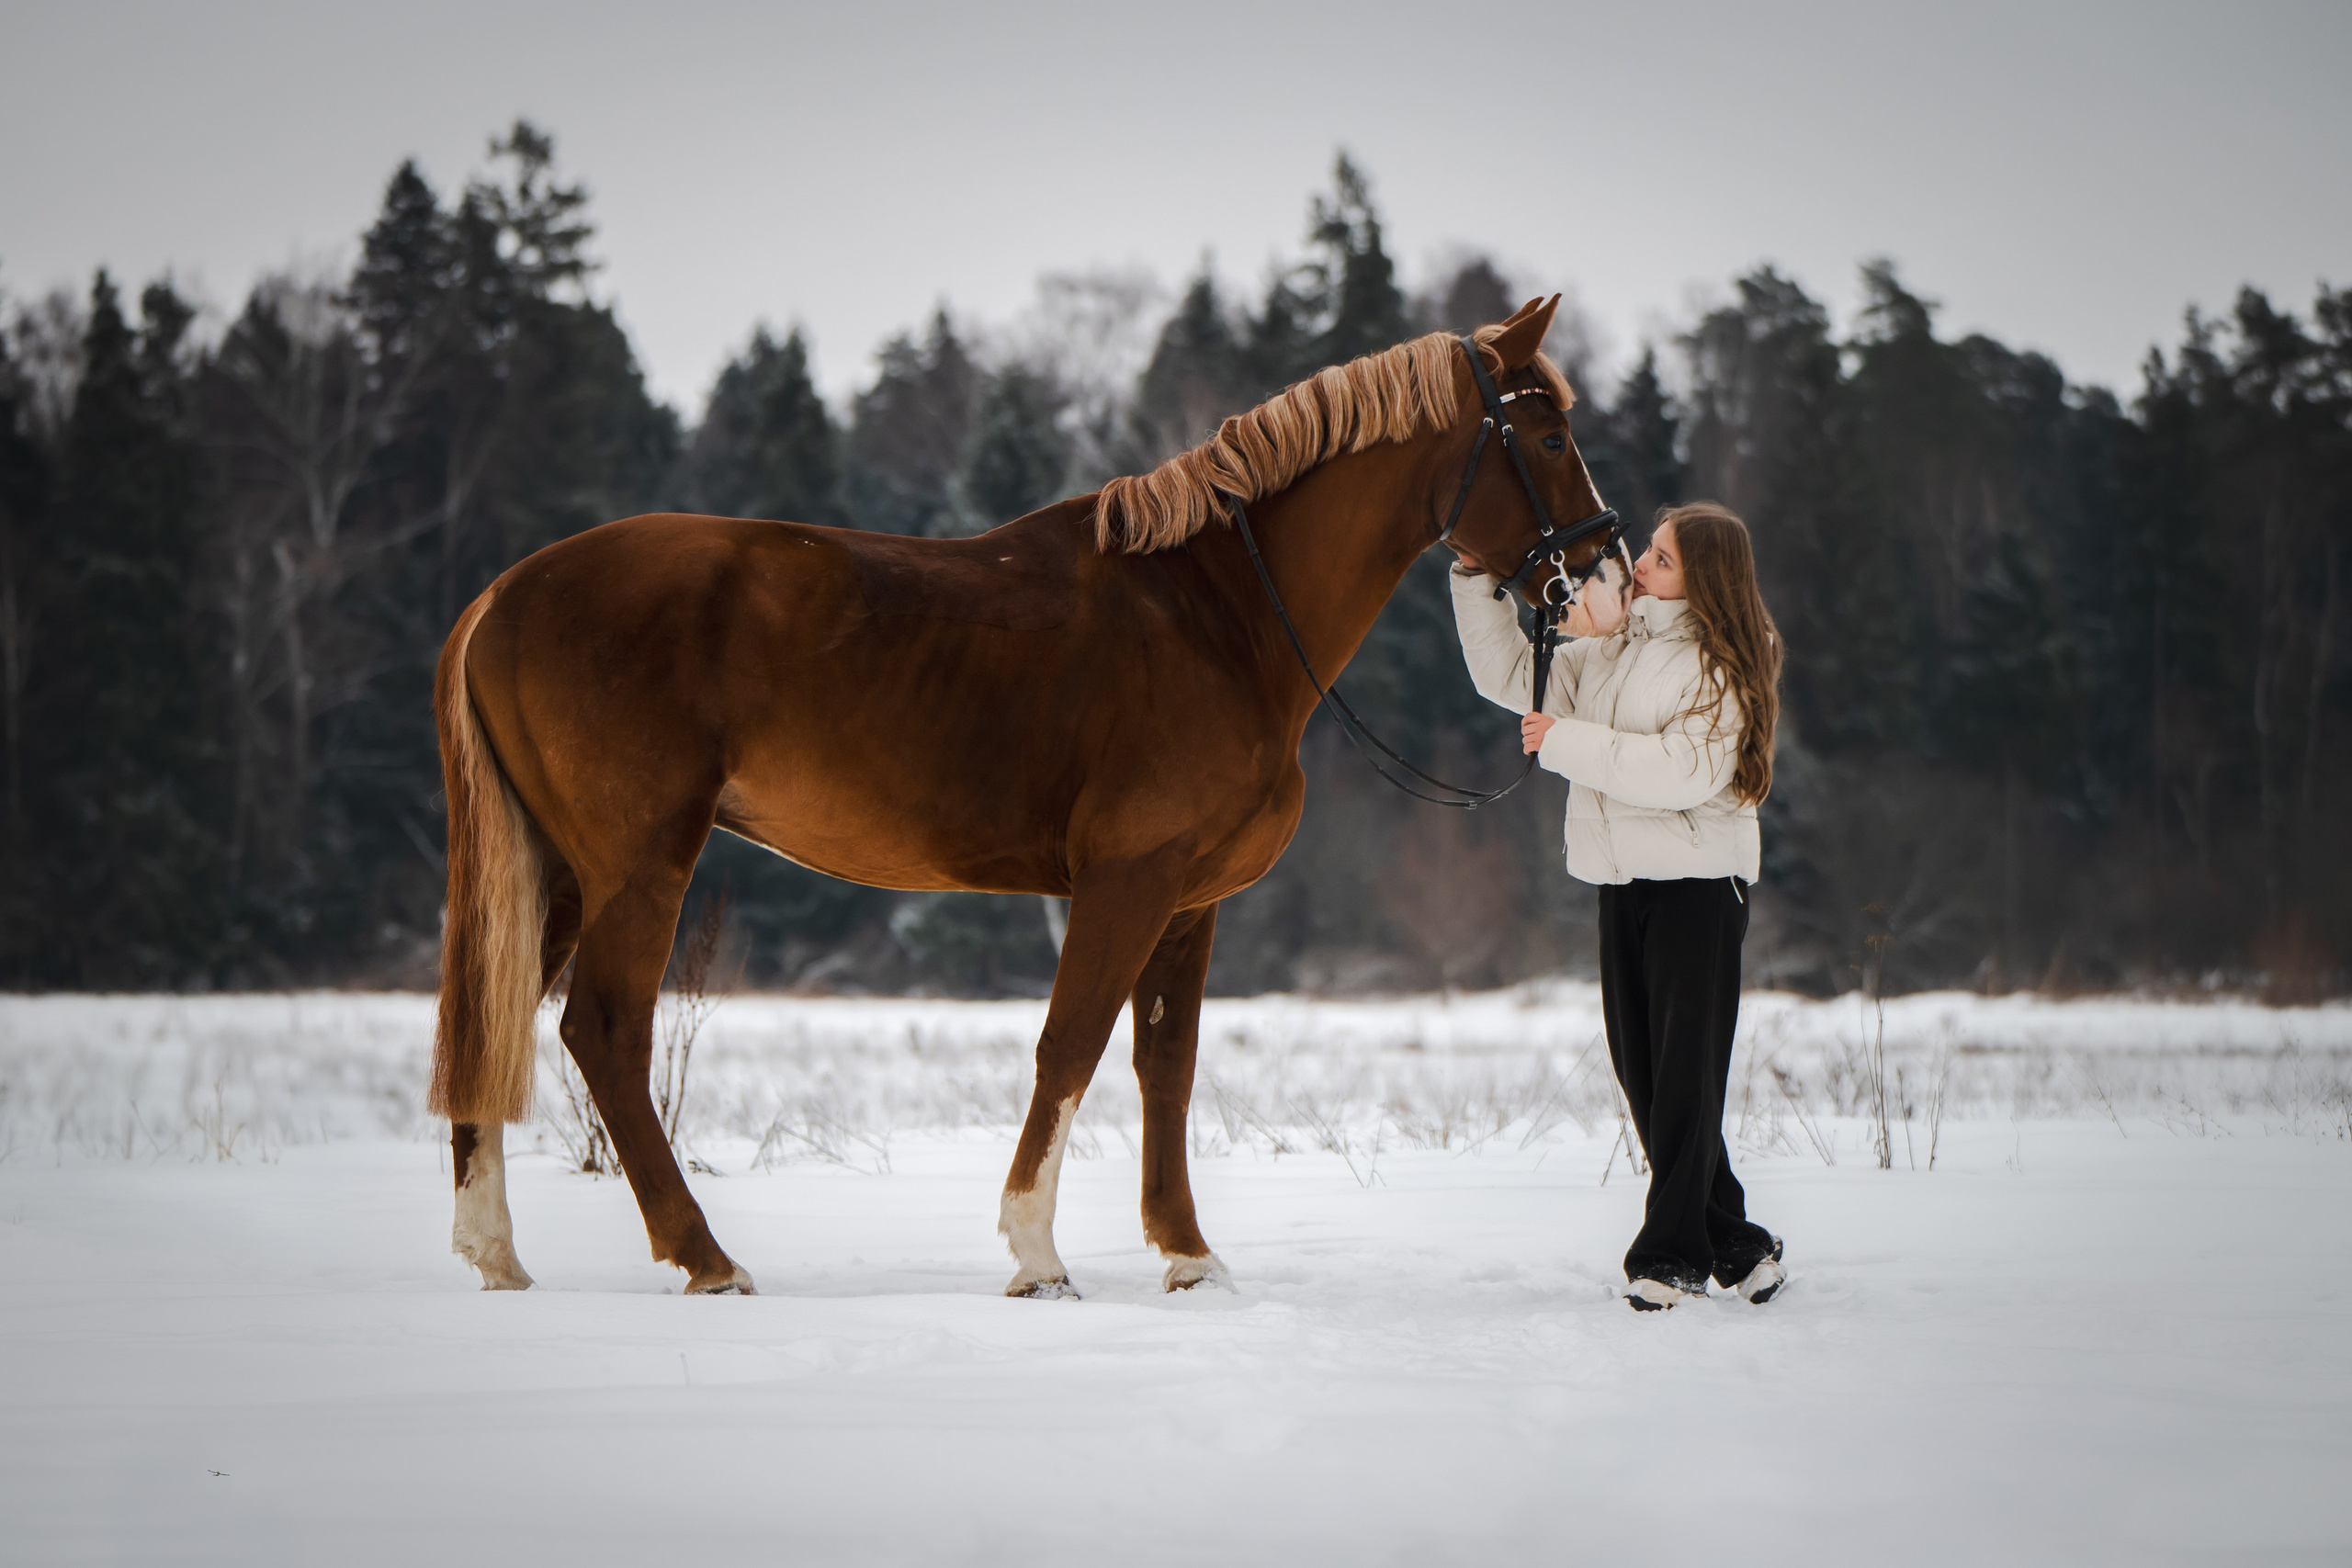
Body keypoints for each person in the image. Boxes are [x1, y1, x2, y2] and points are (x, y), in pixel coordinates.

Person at [1452, 502, 1786, 1312]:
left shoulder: (1724, 666)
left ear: (1703, 579)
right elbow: (1509, 677)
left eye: (1662, 560)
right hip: (1624, 885)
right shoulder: (1612, 651)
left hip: (1699, 894)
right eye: (1652, 552)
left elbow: (1679, 771)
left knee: (1682, 1080)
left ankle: (1670, 1257)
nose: (1639, 565)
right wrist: (1473, 575)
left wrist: (1559, 740)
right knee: (1648, 1076)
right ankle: (1737, 1242)